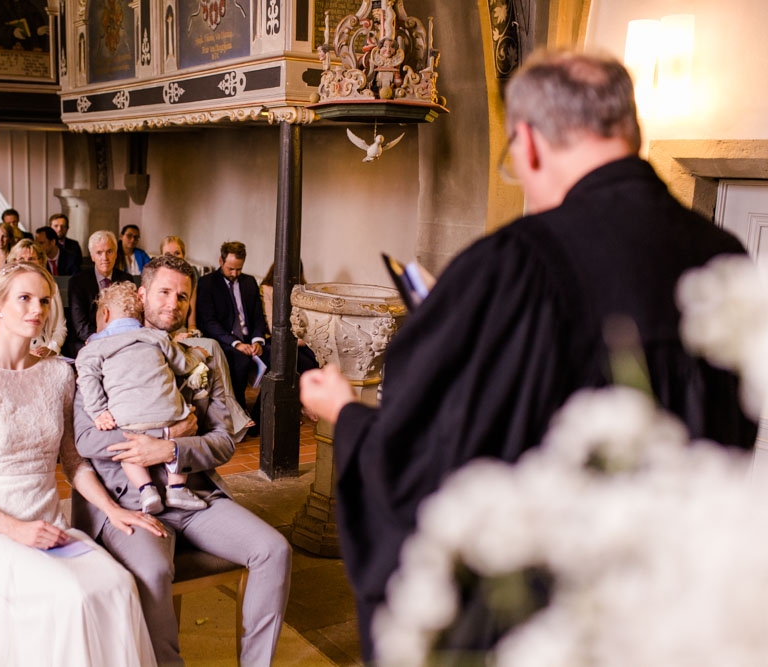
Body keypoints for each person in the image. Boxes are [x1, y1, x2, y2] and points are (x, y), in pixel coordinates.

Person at [299, 50, 758, 661]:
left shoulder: (516, 264)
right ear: (630, 130)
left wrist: (347, 416)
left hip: (551, 626)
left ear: (530, 144)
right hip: (676, 617)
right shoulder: (725, 258)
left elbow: (434, 469)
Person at [0, 262, 160, 666]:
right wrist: (16, 530)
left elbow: (74, 463)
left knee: (117, 584)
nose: (36, 309)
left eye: (43, 300)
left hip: (48, 525)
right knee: (73, 597)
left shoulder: (59, 374)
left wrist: (113, 509)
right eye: (24, 298)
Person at [72, 254, 292, 666]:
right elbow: (86, 438)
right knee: (154, 574)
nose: (173, 303)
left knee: (273, 549)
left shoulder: (203, 357)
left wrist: (173, 451)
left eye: (183, 296)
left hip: (194, 495)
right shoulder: (99, 354)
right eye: (164, 292)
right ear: (141, 294)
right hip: (128, 504)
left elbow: (224, 441)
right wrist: (160, 438)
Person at [75, 281, 210, 514]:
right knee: (180, 436)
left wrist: (98, 412)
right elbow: (181, 365)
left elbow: (86, 377)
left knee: (131, 447)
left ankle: (146, 490)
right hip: (170, 412)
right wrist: (198, 353)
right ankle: (177, 488)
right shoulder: (156, 336)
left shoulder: (93, 348)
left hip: (128, 418)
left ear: (104, 314)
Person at [196, 241, 270, 433]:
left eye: (239, 269)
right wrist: (236, 344)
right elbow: (209, 322)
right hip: (225, 340)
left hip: (250, 340)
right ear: (221, 260)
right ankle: (239, 411)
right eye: (230, 269)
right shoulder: (207, 283)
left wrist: (257, 341)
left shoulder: (249, 282)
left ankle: (261, 417)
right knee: (241, 361)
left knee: (278, 359)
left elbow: (257, 317)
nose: (235, 273)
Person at [68, 230, 133, 354]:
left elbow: (128, 317)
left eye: (109, 251)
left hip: (119, 340)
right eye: (99, 253)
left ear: (116, 254)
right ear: (92, 256)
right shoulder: (77, 282)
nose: (105, 258)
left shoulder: (126, 279)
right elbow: (80, 325)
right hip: (86, 340)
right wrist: (101, 341)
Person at [260, 261, 318, 374]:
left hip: (299, 338)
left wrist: (305, 339)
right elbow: (271, 322)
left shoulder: (301, 291)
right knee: (305, 364)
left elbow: (306, 319)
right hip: (275, 338)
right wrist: (295, 341)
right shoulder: (267, 289)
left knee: (317, 360)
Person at [159, 235, 200, 335]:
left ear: (183, 255)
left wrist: (192, 330)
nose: (173, 258)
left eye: (177, 253)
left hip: (180, 330)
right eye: (168, 254)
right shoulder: (156, 278)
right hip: (160, 329)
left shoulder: (189, 278)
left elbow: (192, 323)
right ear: (161, 257)